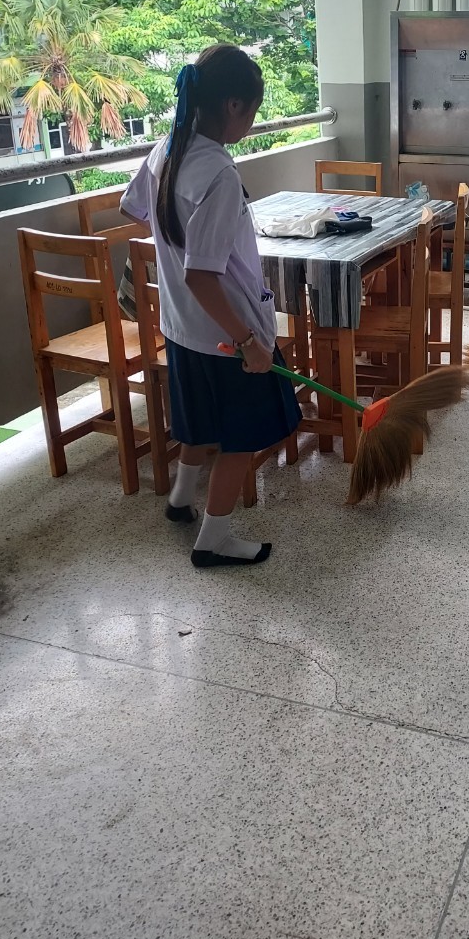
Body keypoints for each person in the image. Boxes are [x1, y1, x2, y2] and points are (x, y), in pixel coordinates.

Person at [121, 44, 301, 568]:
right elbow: (202, 274)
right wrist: (248, 342)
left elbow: (132, 208)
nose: (251, 122)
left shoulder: (167, 148)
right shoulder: (217, 173)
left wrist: (176, 236)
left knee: (199, 422)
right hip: (227, 332)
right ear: (233, 105)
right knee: (241, 439)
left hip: (182, 326)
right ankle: (213, 540)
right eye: (253, 111)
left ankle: (180, 500)